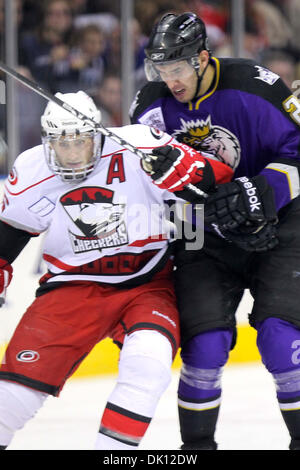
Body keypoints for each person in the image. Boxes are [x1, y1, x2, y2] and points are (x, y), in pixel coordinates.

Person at [0, 90, 232, 450]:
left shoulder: (140, 145)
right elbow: (12, 232)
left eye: (80, 141)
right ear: (47, 141)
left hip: (146, 283)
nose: (73, 153)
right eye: (62, 144)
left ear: (99, 133)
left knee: (149, 360)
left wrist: (184, 171)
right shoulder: (32, 169)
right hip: (71, 287)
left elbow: (213, 178)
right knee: (12, 395)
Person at [130, 12, 300, 450]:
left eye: (178, 68)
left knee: (282, 339)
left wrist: (263, 194)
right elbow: (142, 180)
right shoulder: (149, 106)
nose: (170, 80)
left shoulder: (255, 87)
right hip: (200, 232)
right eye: (161, 69)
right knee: (204, 345)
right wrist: (165, 179)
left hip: (278, 223)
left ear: (203, 58)